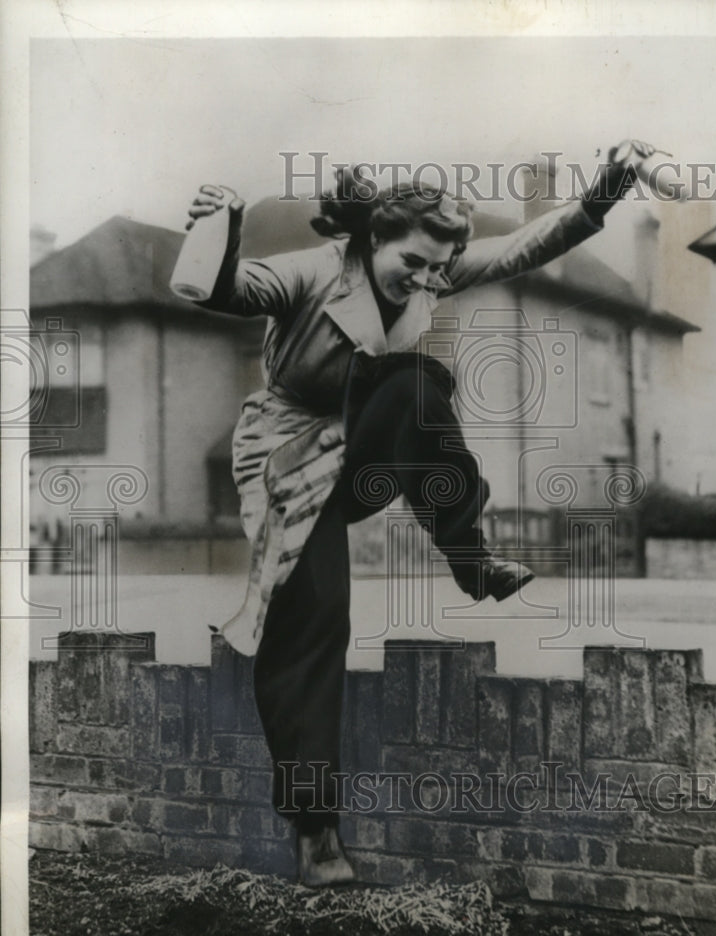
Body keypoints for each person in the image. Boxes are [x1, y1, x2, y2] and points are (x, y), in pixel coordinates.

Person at [185, 141, 655, 886]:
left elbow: (525, 246)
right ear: (372, 240)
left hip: (364, 456)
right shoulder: (313, 271)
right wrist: (222, 225)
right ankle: (315, 834)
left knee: (415, 385)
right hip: (284, 462)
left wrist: (605, 189)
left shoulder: (429, 275)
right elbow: (228, 289)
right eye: (415, 264)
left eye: (441, 268)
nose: (430, 280)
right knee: (311, 626)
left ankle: (468, 557)